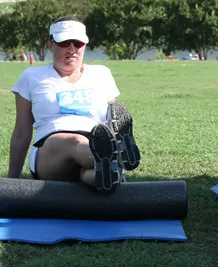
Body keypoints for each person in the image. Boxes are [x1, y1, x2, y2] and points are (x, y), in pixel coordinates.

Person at [8, 16, 141, 194]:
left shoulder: (101, 74)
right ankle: (116, 155)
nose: (72, 49)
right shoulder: (32, 76)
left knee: (95, 175)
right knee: (75, 141)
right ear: (50, 44)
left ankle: (110, 168)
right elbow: (22, 132)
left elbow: (113, 119)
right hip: (51, 148)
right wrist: (11, 182)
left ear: (85, 45)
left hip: (95, 139)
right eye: (64, 43)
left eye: (77, 43)